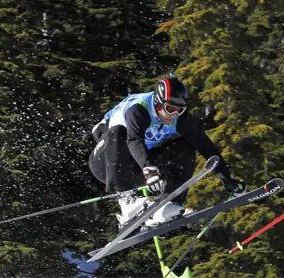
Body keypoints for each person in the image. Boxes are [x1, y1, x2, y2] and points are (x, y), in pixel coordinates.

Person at [88, 75, 246, 228]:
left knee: (185, 147)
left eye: (179, 110)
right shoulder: (139, 108)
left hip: (137, 168)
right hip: (106, 164)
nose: (173, 115)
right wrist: (150, 170)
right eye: (170, 109)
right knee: (118, 132)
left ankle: (166, 205)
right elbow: (133, 140)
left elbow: (205, 146)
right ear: (158, 102)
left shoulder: (180, 118)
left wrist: (227, 178)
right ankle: (127, 202)